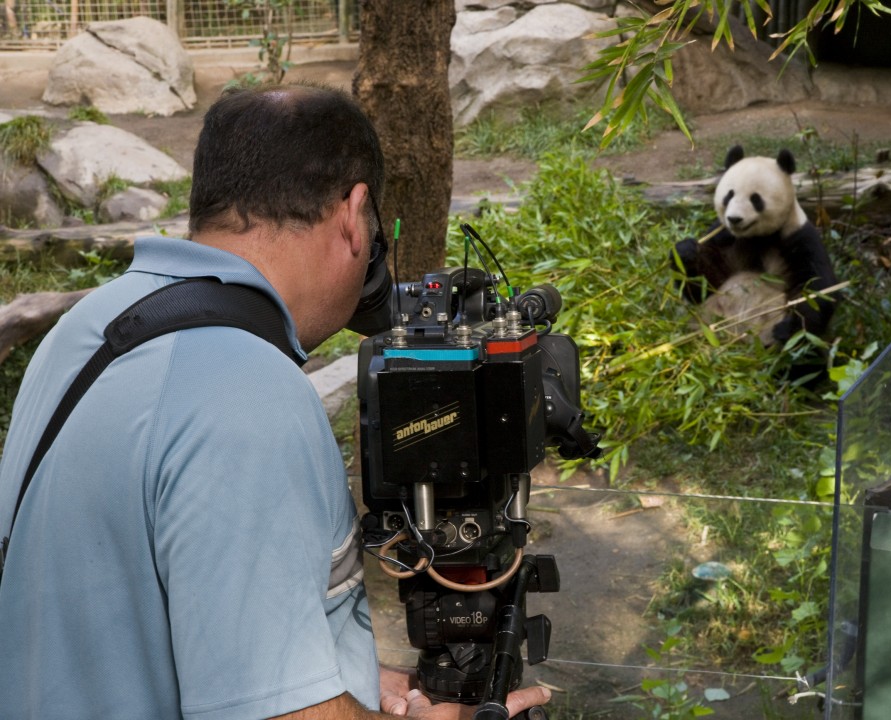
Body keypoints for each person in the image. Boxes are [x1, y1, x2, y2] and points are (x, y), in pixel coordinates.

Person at [0, 83, 550, 719]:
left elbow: (119, 610)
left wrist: (330, 675)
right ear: (354, 214)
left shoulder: (92, 324)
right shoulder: (247, 392)